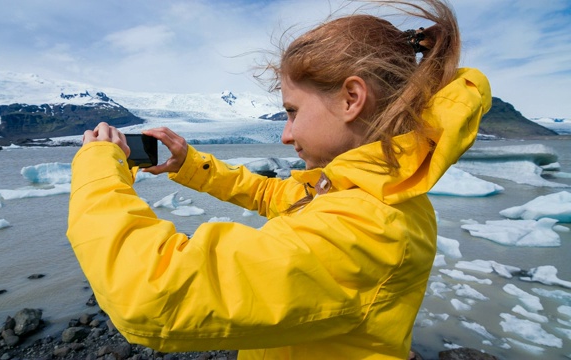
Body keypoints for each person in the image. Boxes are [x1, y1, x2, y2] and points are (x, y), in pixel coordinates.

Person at [67, 0, 491, 358]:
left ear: (351, 98)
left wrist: (98, 169)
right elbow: (277, 194)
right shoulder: (361, 188)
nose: (286, 134)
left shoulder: (370, 227)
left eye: (292, 111)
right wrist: (190, 165)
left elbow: (151, 293)